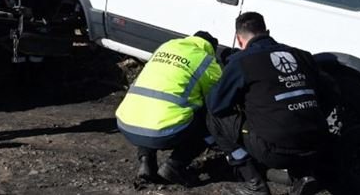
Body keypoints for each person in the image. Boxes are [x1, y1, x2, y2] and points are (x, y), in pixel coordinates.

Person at [208, 12, 327, 195]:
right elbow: (331, 92)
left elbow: (216, 104)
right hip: (318, 143)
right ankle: (304, 174)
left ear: (239, 40)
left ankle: (254, 182)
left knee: (214, 119)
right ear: (268, 31)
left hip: (276, 151)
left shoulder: (241, 62)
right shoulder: (302, 56)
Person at [116, 31, 222, 186]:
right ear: (210, 48)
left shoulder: (165, 47)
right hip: (162, 132)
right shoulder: (205, 60)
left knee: (151, 108)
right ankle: (175, 166)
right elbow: (216, 98)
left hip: (127, 123)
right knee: (211, 121)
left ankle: (147, 161)